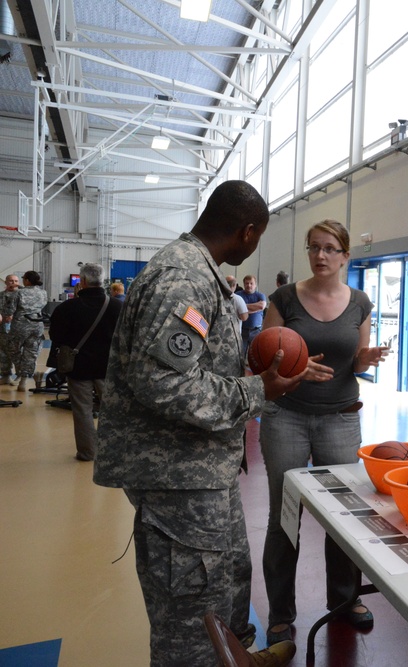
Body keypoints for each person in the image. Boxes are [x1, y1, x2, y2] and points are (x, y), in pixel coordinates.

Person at [93, 181, 330, 667]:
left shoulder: (197, 271)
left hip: (203, 473)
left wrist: (244, 374)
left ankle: (238, 656)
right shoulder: (183, 277)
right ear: (247, 232)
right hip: (180, 480)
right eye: (258, 237)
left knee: (224, 583)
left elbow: (186, 371)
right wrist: (258, 389)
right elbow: (162, 384)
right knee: (191, 618)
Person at [258, 220, 389, 646]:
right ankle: (281, 610)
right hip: (287, 418)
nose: (321, 256)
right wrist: (293, 370)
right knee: (285, 515)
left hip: (340, 418)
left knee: (344, 515)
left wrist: (365, 357)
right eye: (314, 247)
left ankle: (346, 600)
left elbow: (356, 365)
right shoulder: (283, 299)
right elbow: (265, 362)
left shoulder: (361, 303)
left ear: (346, 255)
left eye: (331, 249)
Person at [48, 263, 123, 461]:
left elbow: (56, 335)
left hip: (78, 367)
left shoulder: (67, 308)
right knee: (113, 410)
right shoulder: (118, 307)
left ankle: (87, 451)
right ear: (103, 281)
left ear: (81, 282)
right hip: (109, 367)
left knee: (82, 410)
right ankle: (113, 450)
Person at [4, 270, 47, 392]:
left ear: (27, 280)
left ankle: (20, 371)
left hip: (20, 325)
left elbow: (9, 311)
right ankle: (23, 381)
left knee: (12, 349)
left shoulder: (18, 294)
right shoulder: (43, 293)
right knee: (31, 352)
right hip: (37, 325)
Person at [240, 274, 267, 358]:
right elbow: (236, 309)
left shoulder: (260, 295)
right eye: (247, 283)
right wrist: (255, 308)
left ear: (255, 285)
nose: (249, 285)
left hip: (256, 330)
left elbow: (261, 306)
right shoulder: (239, 295)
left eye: (251, 283)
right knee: (241, 354)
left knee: (255, 355)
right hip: (242, 331)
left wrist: (244, 307)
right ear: (244, 284)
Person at [0, 274, 19, 384]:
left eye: (16, 281)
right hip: (2, 328)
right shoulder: (1, 295)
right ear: (6, 282)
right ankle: (6, 375)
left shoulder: (22, 295)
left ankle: (21, 376)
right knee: (3, 353)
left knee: (17, 353)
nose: (13, 283)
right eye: (11, 281)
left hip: (18, 329)